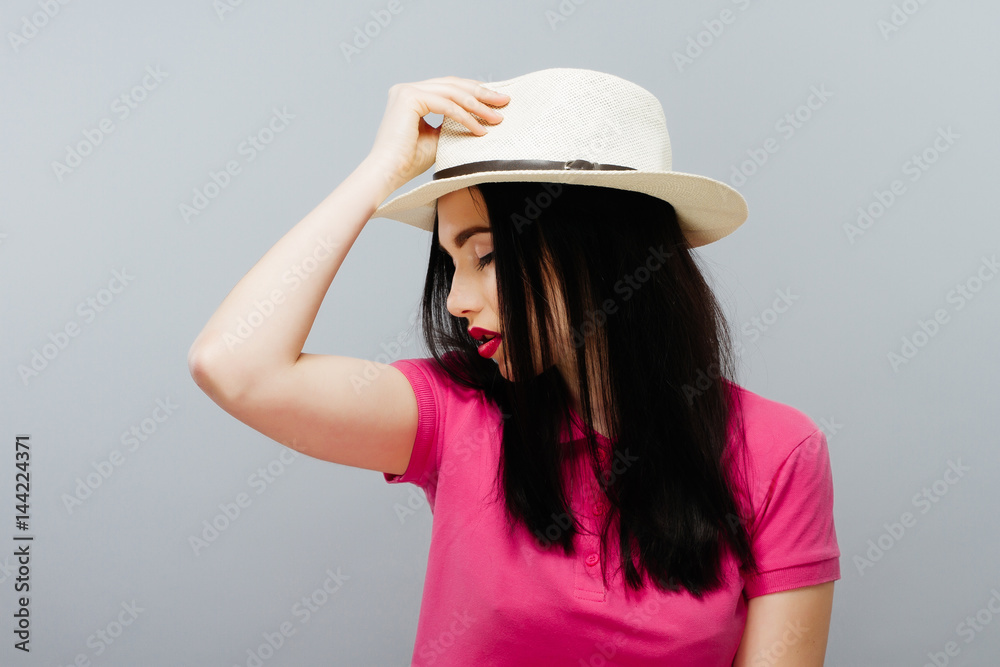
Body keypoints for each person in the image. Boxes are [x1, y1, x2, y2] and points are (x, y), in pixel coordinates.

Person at [188, 68, 840, 666]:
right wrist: (381, 168)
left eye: (487, 256)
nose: (455, 300)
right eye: (451, 263)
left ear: (601, 250)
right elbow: (234, 365)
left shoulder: (779, 451)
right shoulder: (453, 413)